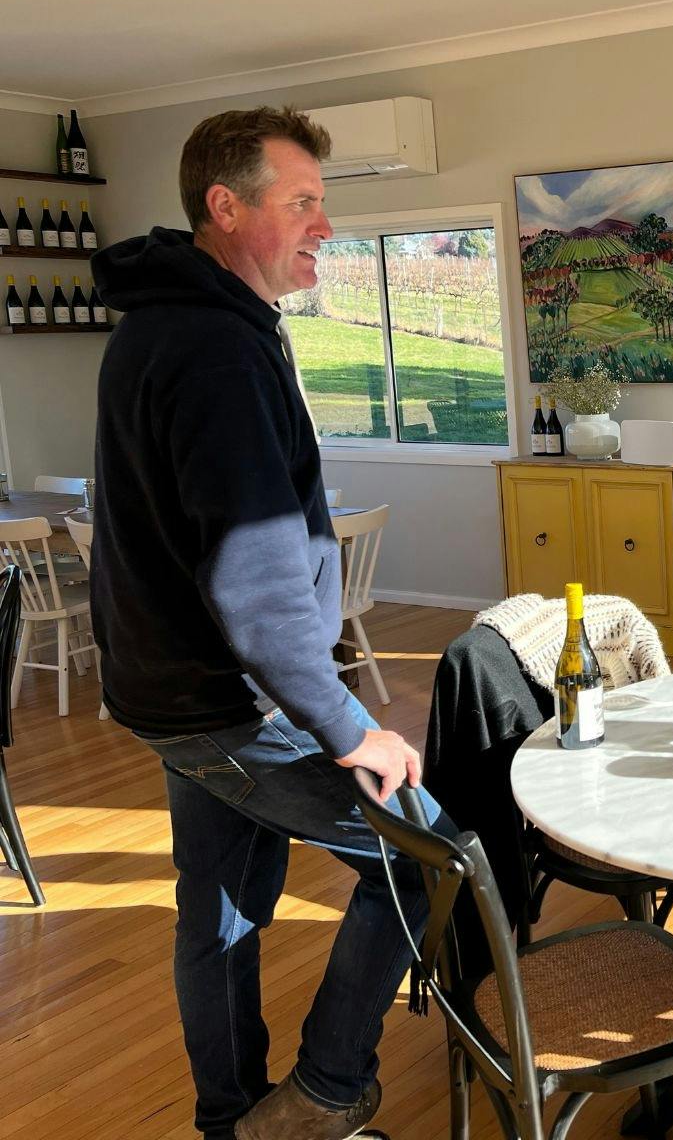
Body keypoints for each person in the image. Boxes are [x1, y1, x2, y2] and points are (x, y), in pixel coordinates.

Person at [90, 107, 448, 1140]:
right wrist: (350, 729)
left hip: (168, 693)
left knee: (222, 913)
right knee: (428, 857)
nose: (323, 228)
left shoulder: (167, 326)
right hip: (228, 705)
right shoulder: (213, 351)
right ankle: (326, 1097)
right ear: (225, 206)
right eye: (302, 203)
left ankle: (232, 1124)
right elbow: (253, 583)